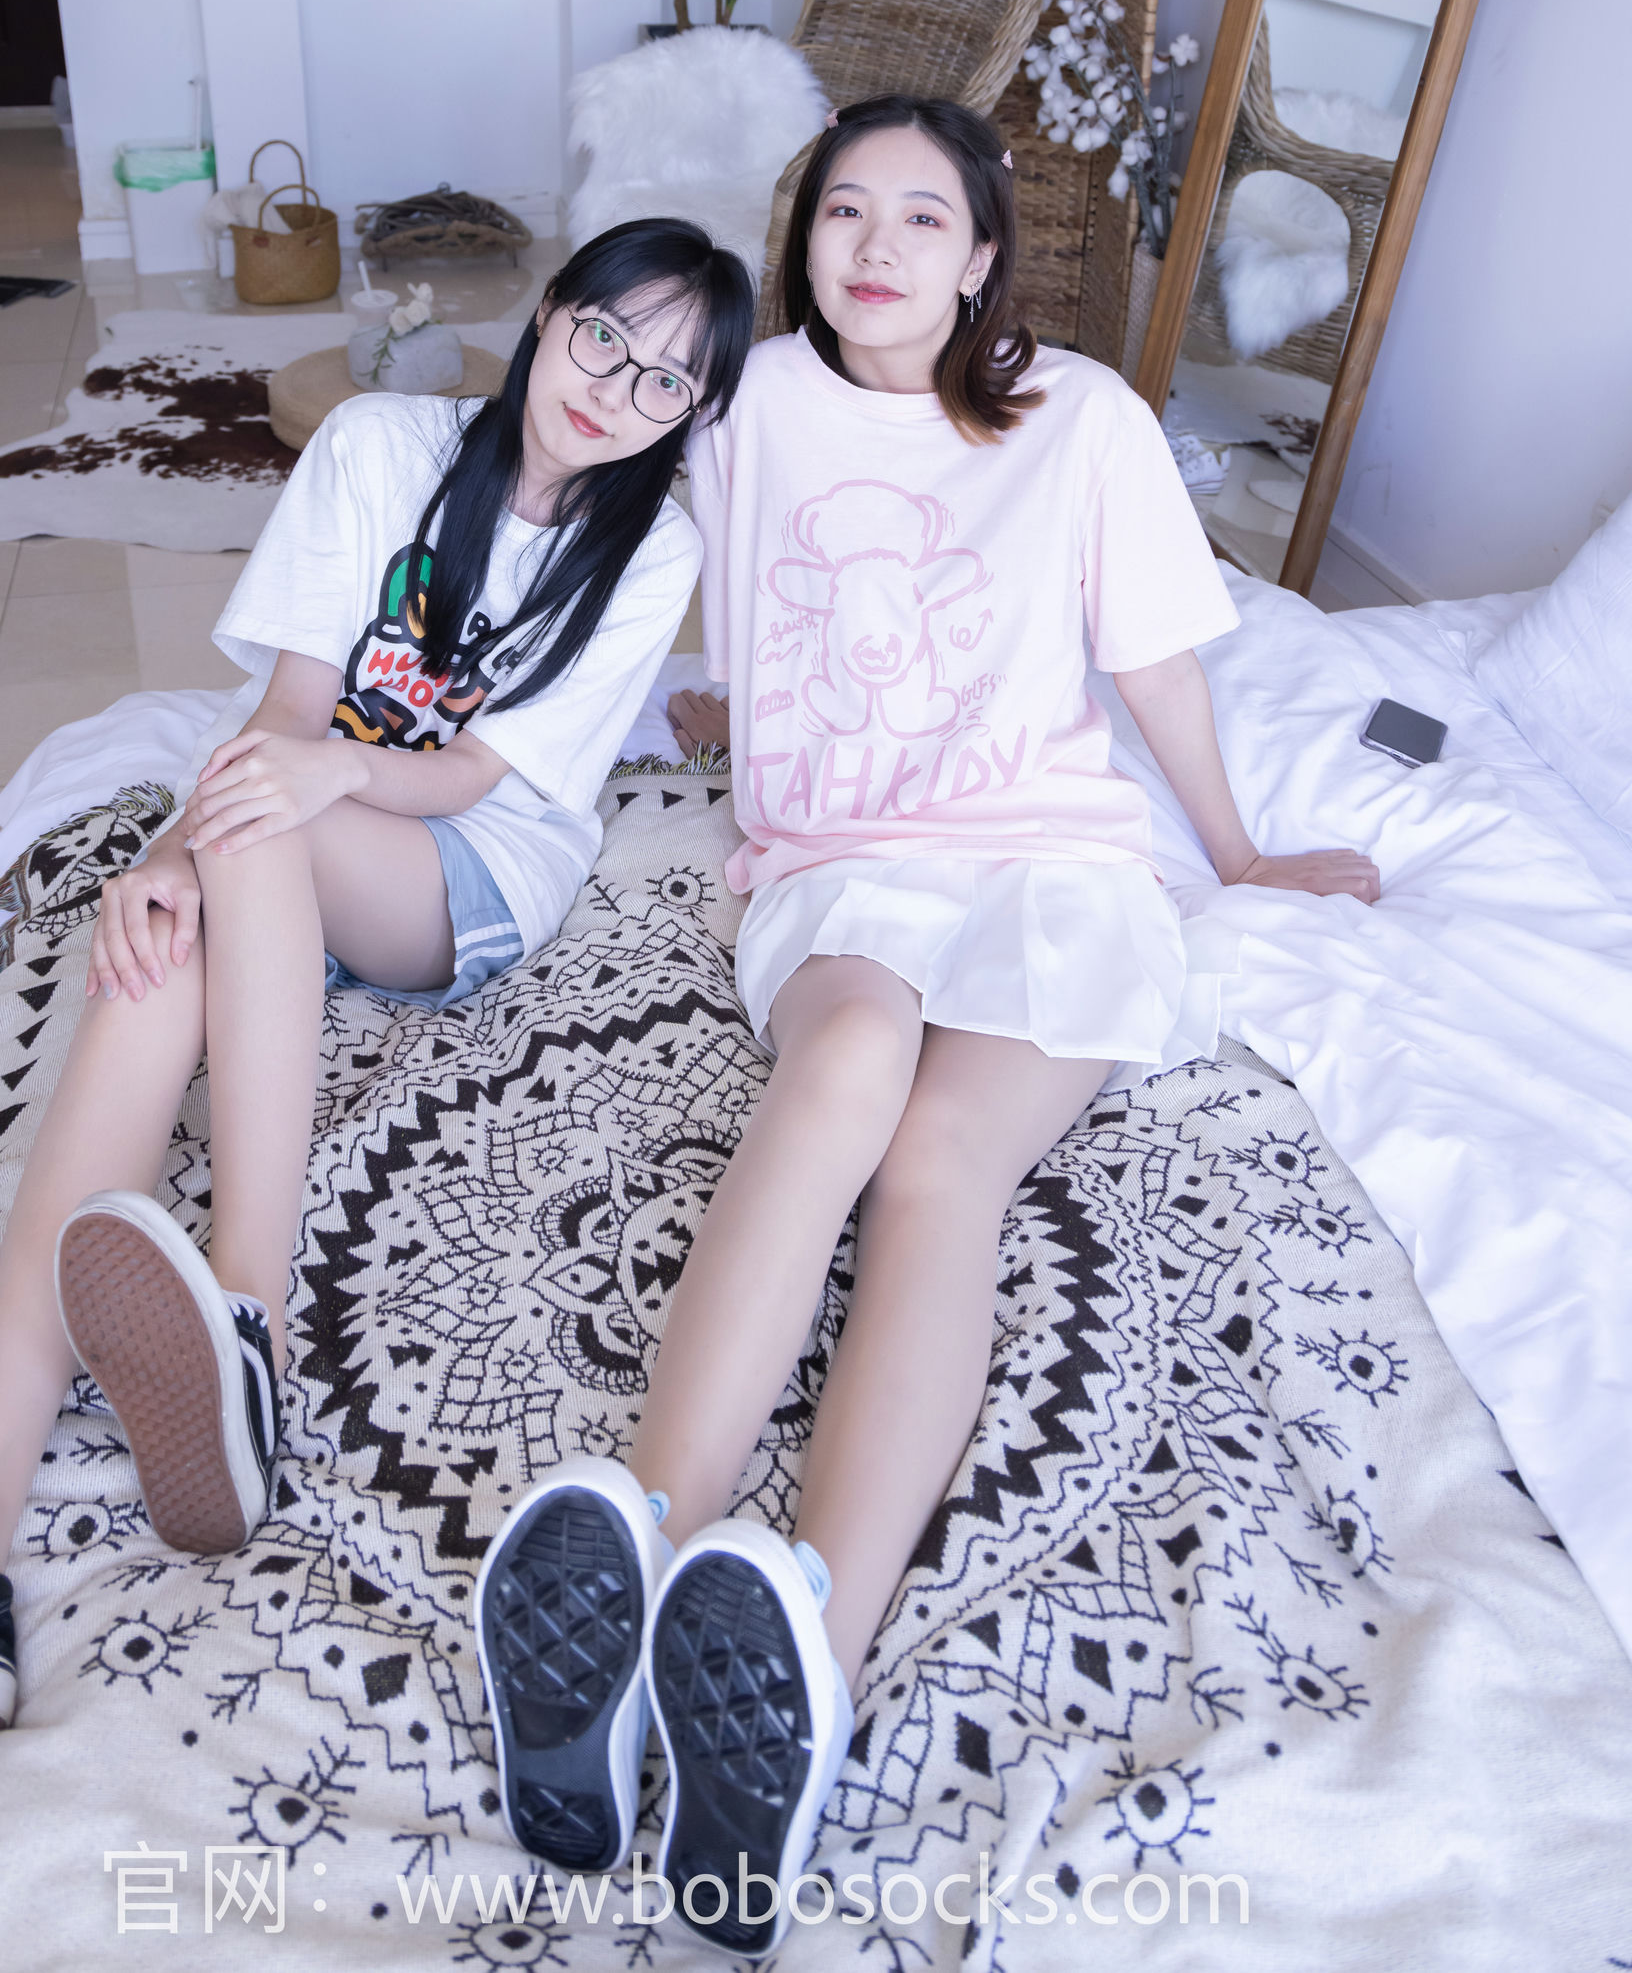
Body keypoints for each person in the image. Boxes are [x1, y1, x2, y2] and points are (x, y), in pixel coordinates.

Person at [473, 97, 1379, 1948]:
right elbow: (590, 515)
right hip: (838, 868)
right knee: (843, 1069)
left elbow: (1151, 661)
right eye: (842, 214)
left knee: (941, 1171)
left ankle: (809, 1640)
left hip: (1055, 867)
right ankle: (630, 1558)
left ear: (979, 260)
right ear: (801, 240)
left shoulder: (1082, 419)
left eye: (919, 218)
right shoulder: (742, 408)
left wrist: (1239, 854)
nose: (875, 247)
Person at [0, 219, 752, 1749]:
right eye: (607, 337)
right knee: (156, 960)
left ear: (689, 416)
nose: (619, 388)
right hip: (302, 812)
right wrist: (175, 859)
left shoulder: (650, 545)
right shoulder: (381, 444)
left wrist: (272, 806)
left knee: (261, 819)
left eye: (668, 381)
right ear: (550, 314)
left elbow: (473, 773)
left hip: (465, 869)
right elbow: (291, 702)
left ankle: (245, 1313)